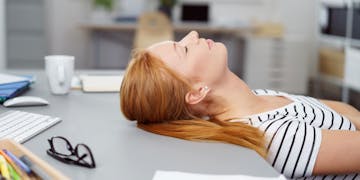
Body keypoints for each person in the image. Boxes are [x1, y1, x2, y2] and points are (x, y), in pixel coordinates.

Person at [120, 31, 360, 179]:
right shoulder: (277, 138)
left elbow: (343, 111)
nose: (193, 35)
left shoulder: (258, 98)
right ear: (196, 93)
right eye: (183, 48)